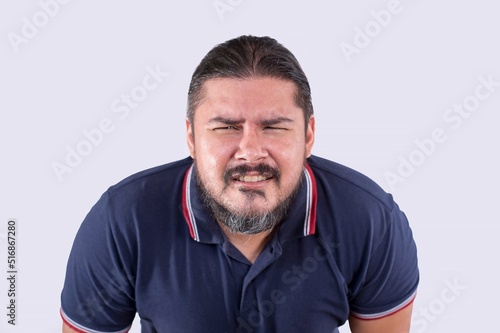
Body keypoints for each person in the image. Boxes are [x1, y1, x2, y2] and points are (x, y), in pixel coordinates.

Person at [61, 35, 419, 333]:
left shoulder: (372, 221)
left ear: (308, 135)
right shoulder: (121, 221)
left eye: (274, 126)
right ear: (191, 137)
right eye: (226, 127)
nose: (250, 152)